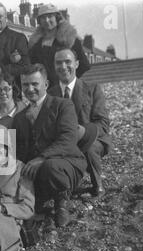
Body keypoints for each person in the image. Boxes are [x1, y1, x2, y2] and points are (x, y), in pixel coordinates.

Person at [12, 64, 87, 228]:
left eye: (35, 84)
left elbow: (67, 139)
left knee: (50, 166)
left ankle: (61, 203)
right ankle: (37, 202)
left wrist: (41, 157)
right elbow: (17, 150)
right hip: (35, 170)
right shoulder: (19, 118)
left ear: (45, 84)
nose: (30, 89)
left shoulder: (62, 106)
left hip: (66, 164)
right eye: (25, 85)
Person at [49, 48, 112, 197]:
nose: (63, 67)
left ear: (77, 64)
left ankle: (98, 186)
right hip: (62, 142)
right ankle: (62, 188)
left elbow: (102, 123)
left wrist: (84, 132)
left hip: (91, 139)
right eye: (59, 63)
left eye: (67, 62)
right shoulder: (50, 95)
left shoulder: (92, 89)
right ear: (54, 66)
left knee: (90, 148)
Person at [28, 3, 90, 88]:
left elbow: (84, 65)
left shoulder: (70, 39)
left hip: (66, 90)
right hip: (46, 91)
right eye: (43, 18)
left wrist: (68, 81)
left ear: (57, 18)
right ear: (39, 21)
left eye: (50, 16)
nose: (46, 20)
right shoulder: (35, 44)